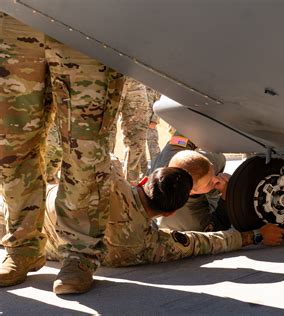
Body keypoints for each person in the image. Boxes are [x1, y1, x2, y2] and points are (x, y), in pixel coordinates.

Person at [0, 13, 124, 294]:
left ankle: (80, 254)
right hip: (13, 19)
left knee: (85, 148)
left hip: (85, 18)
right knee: (11, 145)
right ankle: (22, 247)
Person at [0, 159, 284, 268]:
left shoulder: (108, 179)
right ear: (174, 209)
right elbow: (202, 242)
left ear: (146, 179)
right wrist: (255, 236)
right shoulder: (139, 245)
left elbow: (106, 161)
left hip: (16, 212)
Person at [148, 133, 229, 232]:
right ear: (189, 190)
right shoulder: (191, 222)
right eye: (209, 182)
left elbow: (183, 133)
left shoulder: (172, 152)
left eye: (213, 175)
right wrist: (226, 195)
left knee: (217, 157)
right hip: (190, 211)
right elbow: (220, 226)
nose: (216, 179)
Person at [109, 77, 150, 184]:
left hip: (136, 79)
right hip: (110, 77)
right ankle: (106, 185)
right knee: (106, 139)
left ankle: (131, 187)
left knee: (138, 141)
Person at [139, 87, 162, 174]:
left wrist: (154, 120)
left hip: (150, 124)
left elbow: (159, 104)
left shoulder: (153, 86)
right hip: (137, 123)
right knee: (140, 149)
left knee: (153, 147)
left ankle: (157, 170)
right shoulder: (137, 85)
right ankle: (143, 172)